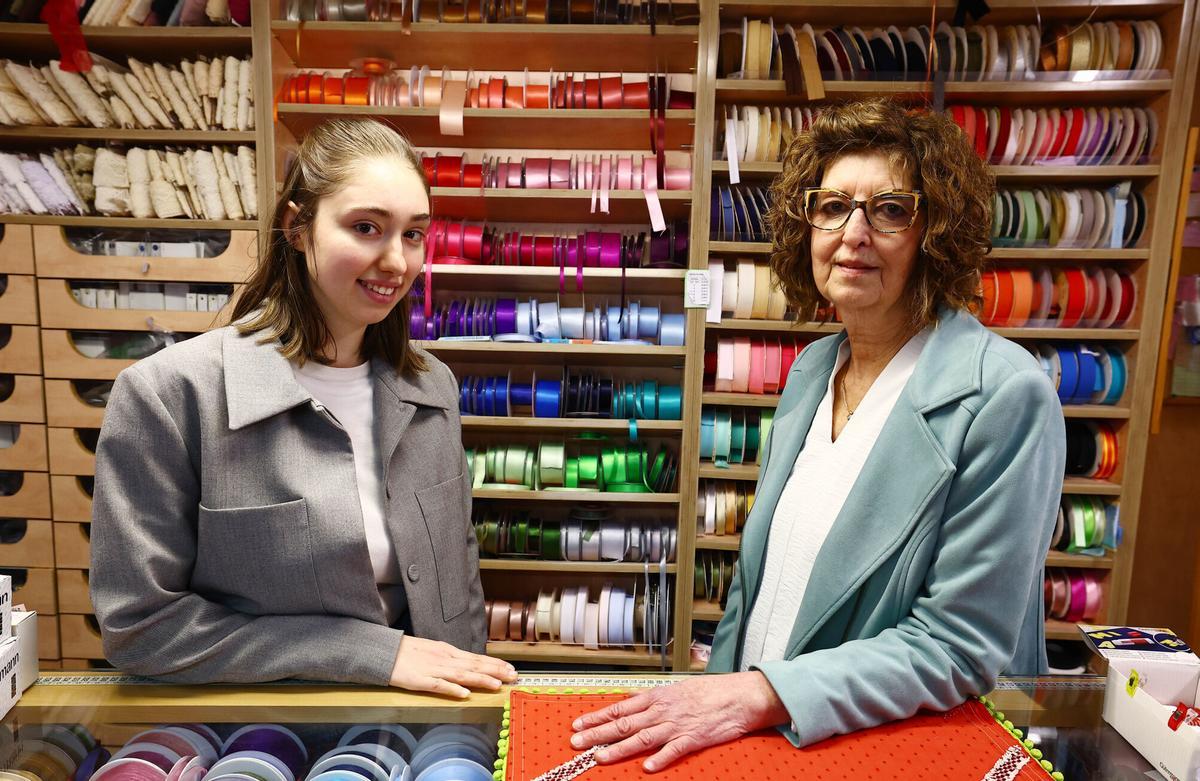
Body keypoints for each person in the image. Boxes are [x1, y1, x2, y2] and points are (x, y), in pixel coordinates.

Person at [570, 97, 1066, 769]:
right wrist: (720, 694)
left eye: (889, 209)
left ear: (935, 233)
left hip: (878, 746)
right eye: (832, 207)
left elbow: (959, 644)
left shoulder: (1004, 396)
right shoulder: (812, 370)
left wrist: (765, 692)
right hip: (763, 731)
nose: (853, 233)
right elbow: (758, 574)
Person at [90, 118, 517, 696]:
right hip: (264, 734)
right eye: (366, 227)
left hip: (433, 731)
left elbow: (457, 577)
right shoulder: (170, 395)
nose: (397, 261)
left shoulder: (431, 387)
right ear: (297, 227)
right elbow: (141, 629)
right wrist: (363, 651)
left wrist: (468, 718)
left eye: (414, 234)